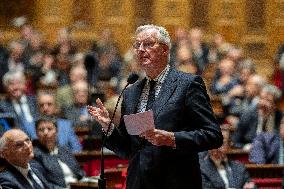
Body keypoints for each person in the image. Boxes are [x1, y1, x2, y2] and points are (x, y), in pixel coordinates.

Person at [88, 24, 223, 189]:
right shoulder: (131, 92)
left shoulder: (187, 85)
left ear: (165, 49)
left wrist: (172, 138)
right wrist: (108, 127)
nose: (141, 49)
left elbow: (213, 135)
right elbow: (127, 149)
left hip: (175, 182)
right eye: (137, 45)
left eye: (148, 44)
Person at [32, 116, 85, 188]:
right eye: (41, 130)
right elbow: (43, 183)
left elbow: (79, 171)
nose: (45, 132)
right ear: (36, 133)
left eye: (49, 129)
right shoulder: (35, 154)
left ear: (56, 131)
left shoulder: (64, 149)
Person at [232, 84, 282, 150]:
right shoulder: (247, 116)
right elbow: (234, 142)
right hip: (249, 155)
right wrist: (246, 147)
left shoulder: (281, 118)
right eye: (261, 98)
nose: (262, 103)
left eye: (268, 101)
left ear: (275, 105)